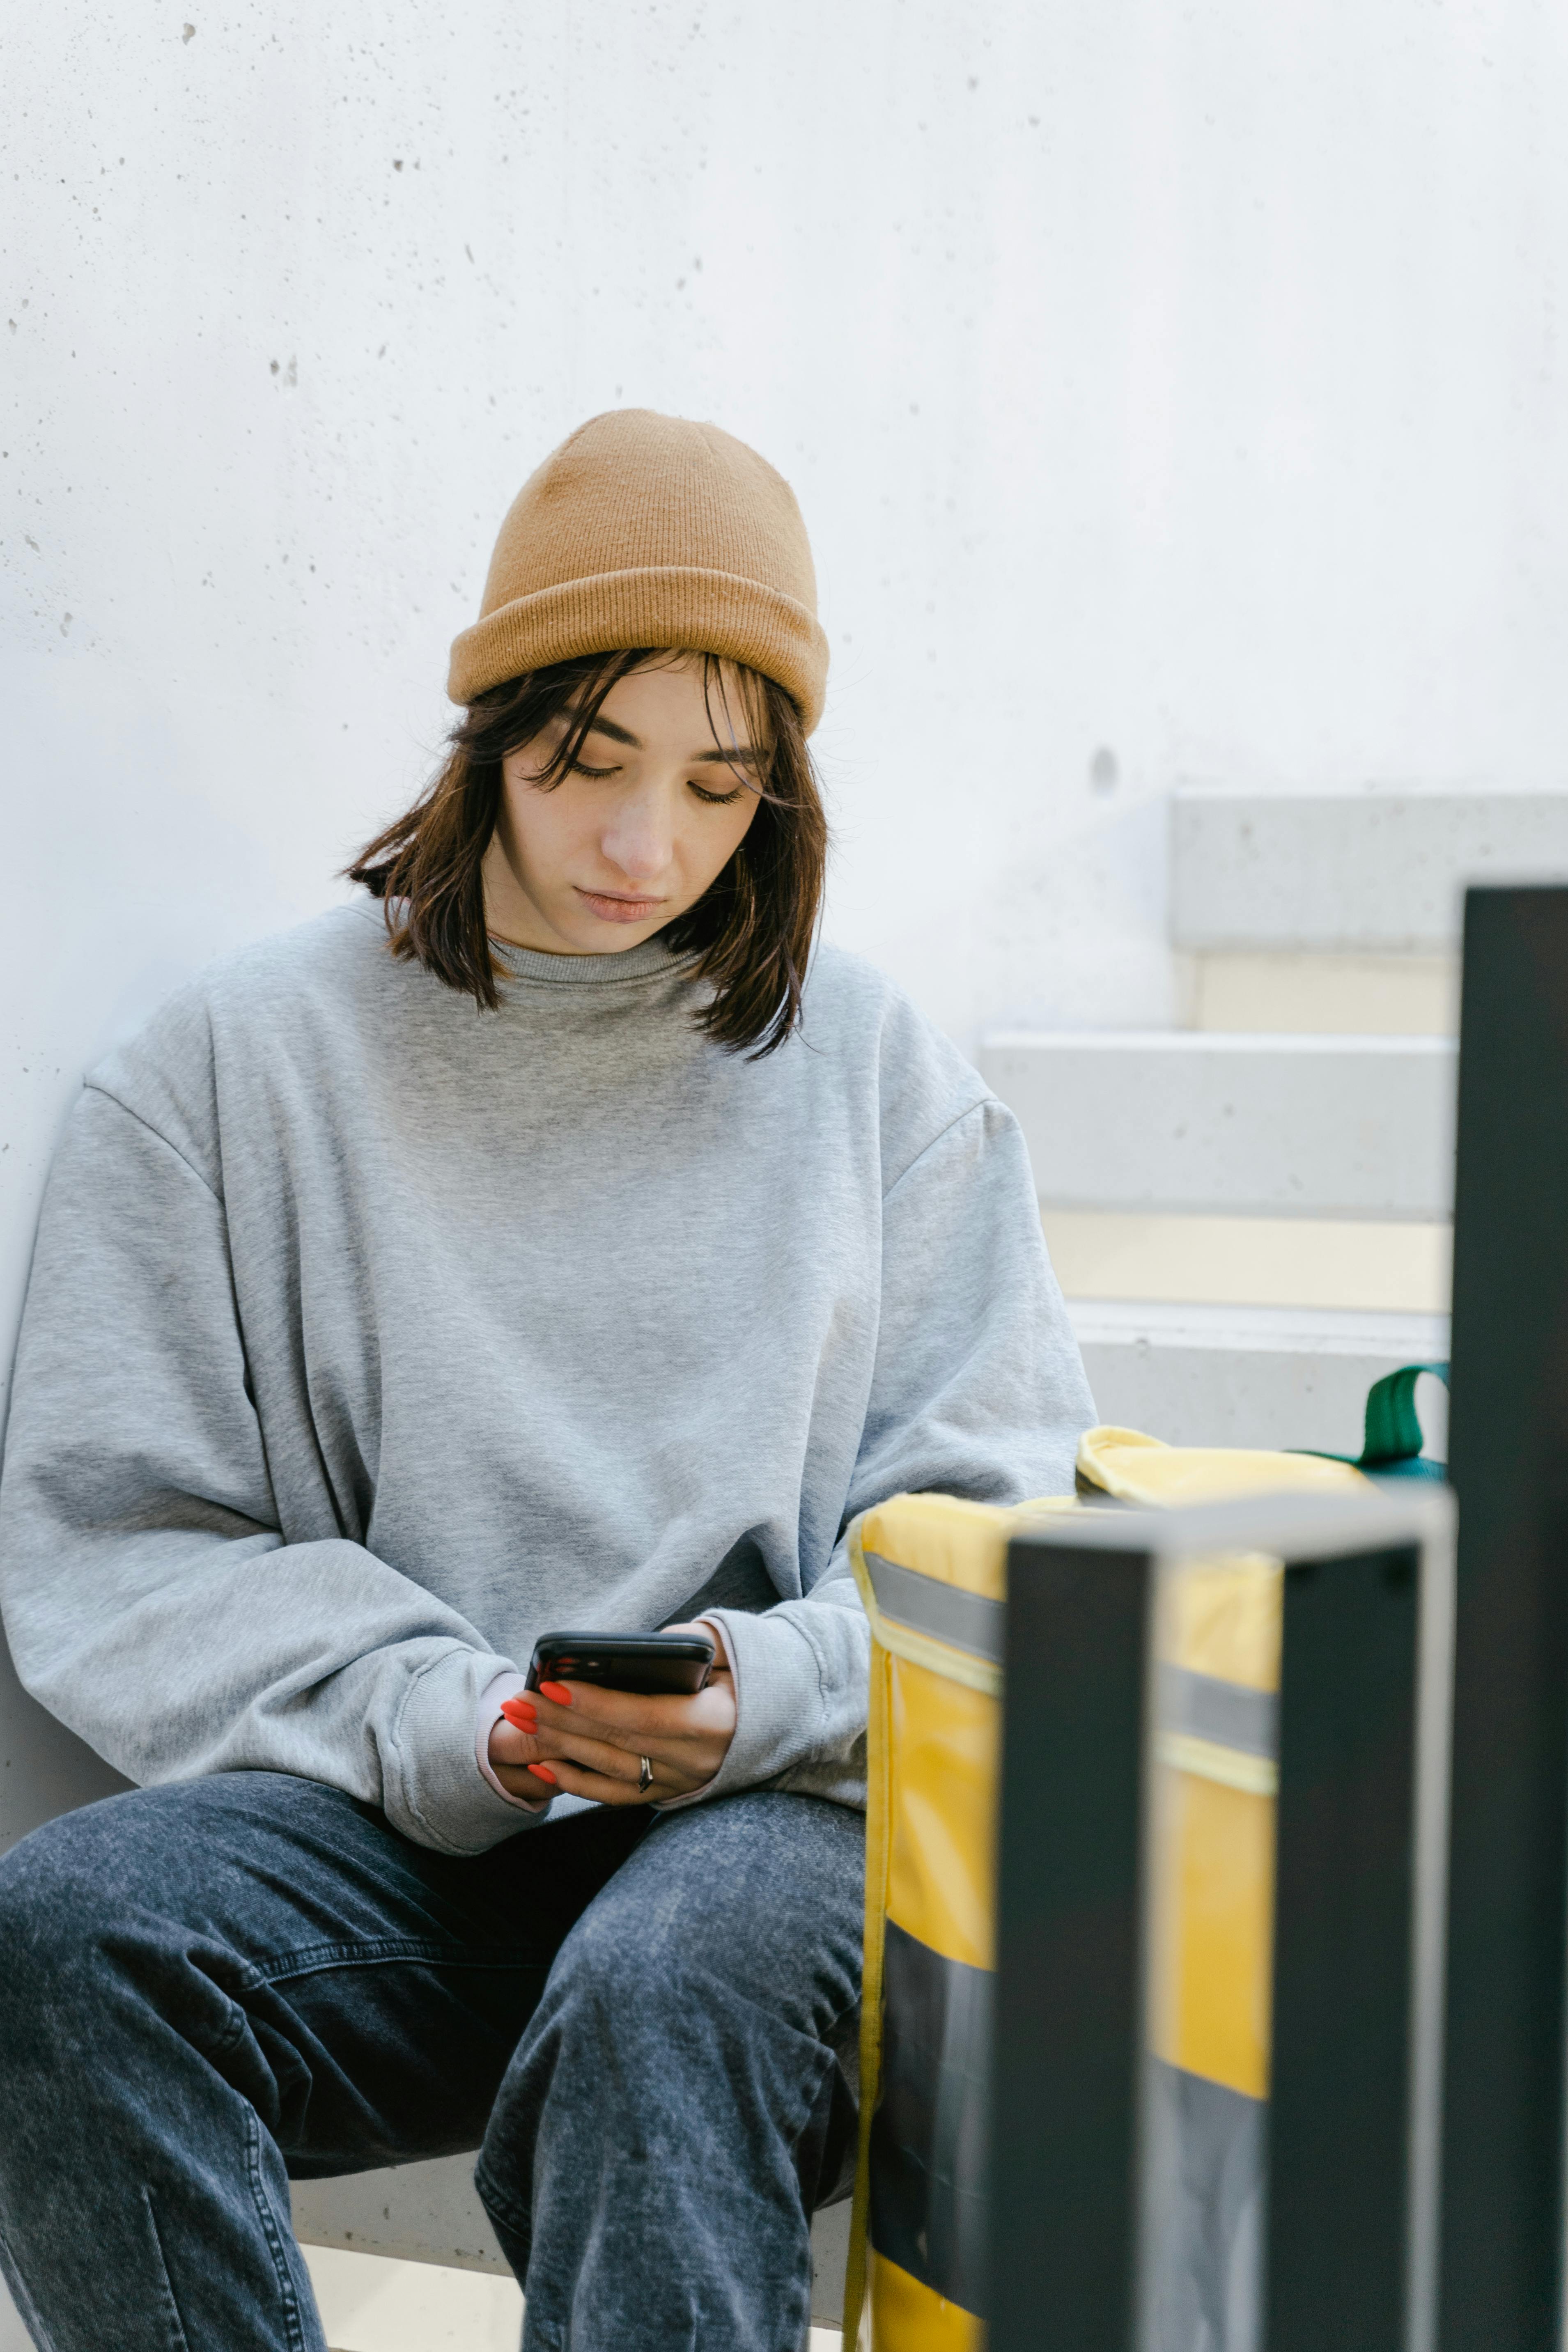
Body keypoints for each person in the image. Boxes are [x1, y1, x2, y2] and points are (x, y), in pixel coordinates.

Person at [0, 408, 1093, 2351]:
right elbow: (123, 1539)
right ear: (491, 721)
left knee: (662, 1985)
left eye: (718, 781)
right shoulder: (229, 1072)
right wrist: (469, 1722)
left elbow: (996, 1540)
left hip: (773, 1832)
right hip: (416, 1822)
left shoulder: (878, 1078)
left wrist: (761, 1685)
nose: (642, 843)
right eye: (589, 758)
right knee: (51, 1937)